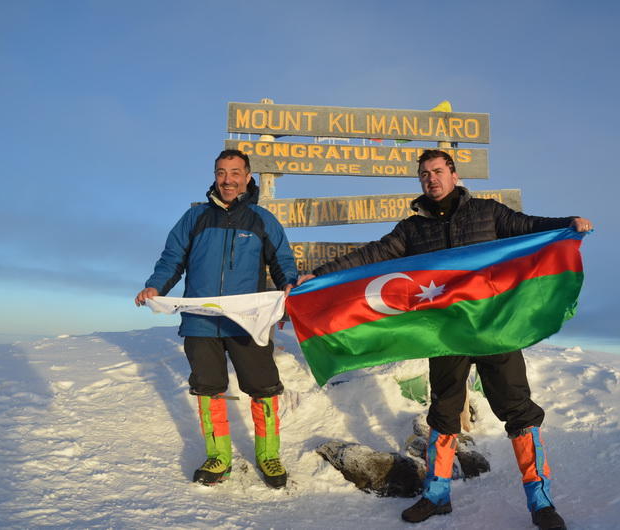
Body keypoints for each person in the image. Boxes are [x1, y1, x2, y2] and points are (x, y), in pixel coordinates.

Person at [297, 149, 592, 528]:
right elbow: (373, 255)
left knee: (519, 411)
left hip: (494, 331)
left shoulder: (487, 212)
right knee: (443, 412)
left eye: (437, 171)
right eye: (424, 175)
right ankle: (437, 495)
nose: (431, 179)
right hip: (446, 336)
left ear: (454, 175)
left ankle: (541, 502)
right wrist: (319, 276)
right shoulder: (413, 229)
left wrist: (568, 224)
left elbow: (528, 227)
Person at [135, 149, 297, 489]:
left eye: (235, 172)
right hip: (201, 321)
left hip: (247, 321)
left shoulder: (262, 219)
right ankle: (218, 455)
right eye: (222, 172)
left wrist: (288, 285)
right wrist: (155, 286)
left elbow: (281, 260)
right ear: (215, 175)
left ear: (248, 177)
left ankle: (269, 454)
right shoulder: (195, 218)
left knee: (264, 387)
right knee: (208, 388)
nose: (228, 179)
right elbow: (172, 258)